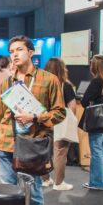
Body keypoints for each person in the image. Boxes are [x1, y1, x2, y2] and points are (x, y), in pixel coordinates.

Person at [0, 36, 65, 205]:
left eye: (19, 50)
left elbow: (60, 113)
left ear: (31, 53)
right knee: (9, 191)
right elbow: (0, 115)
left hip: (32, 144)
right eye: (11, 51)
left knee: (34, 191)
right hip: (7, 143)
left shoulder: (49, 80)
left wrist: (34, 117)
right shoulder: (8, 82)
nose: (14, 55)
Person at [79, 55, 103, 191]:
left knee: (96, 150)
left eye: (92, 64)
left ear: (96, 67)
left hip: (96, 121)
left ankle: (98, 182)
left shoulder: (97, 82)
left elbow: (84, 101)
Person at [42, 58, 77, 191]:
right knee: (60, 152)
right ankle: (59, 183)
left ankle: (45, 179)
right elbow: (72, 106)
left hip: (44, 120)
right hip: (60, 121)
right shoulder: (65, 85)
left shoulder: (42, 84)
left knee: (43, 151)